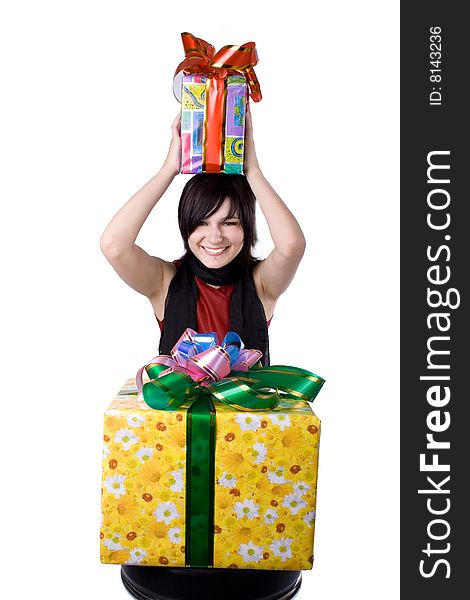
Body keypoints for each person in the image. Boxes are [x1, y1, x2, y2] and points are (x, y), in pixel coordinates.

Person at [100, 108, 306, 364]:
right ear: (186, 227)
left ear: (247, 228)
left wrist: (252, 171)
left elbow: (291, 244)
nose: (215, 236)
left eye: (229, 222)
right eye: (201, 223)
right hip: (179, 405)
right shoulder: (165, 281)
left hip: (247, 405)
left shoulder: (261, 282)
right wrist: (169, 169)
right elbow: (114, 245)